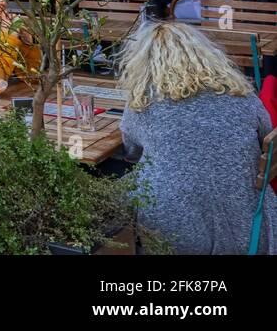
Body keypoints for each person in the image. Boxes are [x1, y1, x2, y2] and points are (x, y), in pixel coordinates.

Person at [118, 18, 276, 254]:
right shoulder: (242, 95)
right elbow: (266, 133)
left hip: (174, 230)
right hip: (248, 223)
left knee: (122, 180)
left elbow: (130, 151)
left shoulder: (143, 105)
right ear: (205, 54)